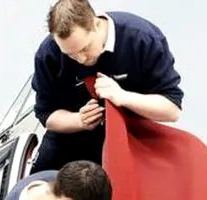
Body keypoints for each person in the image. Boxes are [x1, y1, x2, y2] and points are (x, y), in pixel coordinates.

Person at [29, 0, 185, 173]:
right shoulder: (48, 54)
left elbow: (172, 109)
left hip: (130, 138)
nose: (81, 59)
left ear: (96, 23)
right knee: (37, 184)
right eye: (70, 55)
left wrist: (123, 97)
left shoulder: (142, 39)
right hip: (68, 141)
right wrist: (79, 120)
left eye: (85, 48)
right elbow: (46, 115)